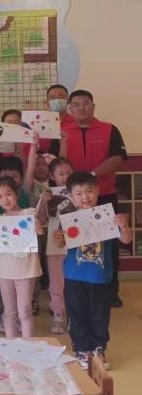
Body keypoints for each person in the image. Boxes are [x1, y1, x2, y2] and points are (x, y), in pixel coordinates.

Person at [52, 171, 132, 370]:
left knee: (99, 315)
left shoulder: (109, 216)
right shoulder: (69, 219)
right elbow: (60, 244)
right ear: (70, 196)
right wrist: (57, 238)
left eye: (89, 191)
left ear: (97, 190)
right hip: (74, 276)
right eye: (78, 193)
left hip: (100, 277)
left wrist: (124, 226)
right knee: (76, 314)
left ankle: (98, 350)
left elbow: (126, 239)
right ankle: (81, 350)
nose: (85, 197)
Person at [61, 89, 127, 308]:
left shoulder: (109, 129)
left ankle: (111, 290)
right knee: (74, 242)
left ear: (93, 106)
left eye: (86, 103)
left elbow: (118, 158)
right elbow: (56, 162)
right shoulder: (61, 131)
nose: (81, 107)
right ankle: (75, 287)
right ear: (70, 109)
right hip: (73, 198)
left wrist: (92, 175)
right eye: (76, 104)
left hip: (103, 195)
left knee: (109, 245)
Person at [0, 176, 44, 339]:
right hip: (5, 271)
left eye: (8, 194)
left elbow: (36, 223)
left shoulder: (28, 213)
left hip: (26, 270)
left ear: (17, 194)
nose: (5, 199)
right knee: (9, 311)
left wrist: (37, 227)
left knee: (25, 310)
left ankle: (27, 344)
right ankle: (11, 344)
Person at [37, 157, 75, 334]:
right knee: (56, 282)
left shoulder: (79, 192)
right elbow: (41, 219)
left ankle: (74, 315)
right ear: (52, 176)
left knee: (74, 282)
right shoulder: (48, 194)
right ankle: (58, 314)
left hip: (76, 245)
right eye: (61, 174)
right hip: (55, 246)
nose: (65, 177)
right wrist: (45, 202)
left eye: (69, 173)